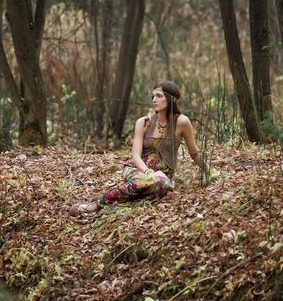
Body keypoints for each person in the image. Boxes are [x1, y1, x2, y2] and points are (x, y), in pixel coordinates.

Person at [70, 81, 203, 216]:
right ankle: (95, 205)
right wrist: (148, 172)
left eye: (159, 96)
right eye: (152, 96)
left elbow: (194, 153)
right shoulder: (144, 122)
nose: (154, 100)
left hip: (163, 176)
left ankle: (108, 202)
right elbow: (135, 156)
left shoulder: (182, 122)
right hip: (137, 169)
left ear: (171, 99)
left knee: (162, 184)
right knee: (142, 181)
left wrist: (209, 173)